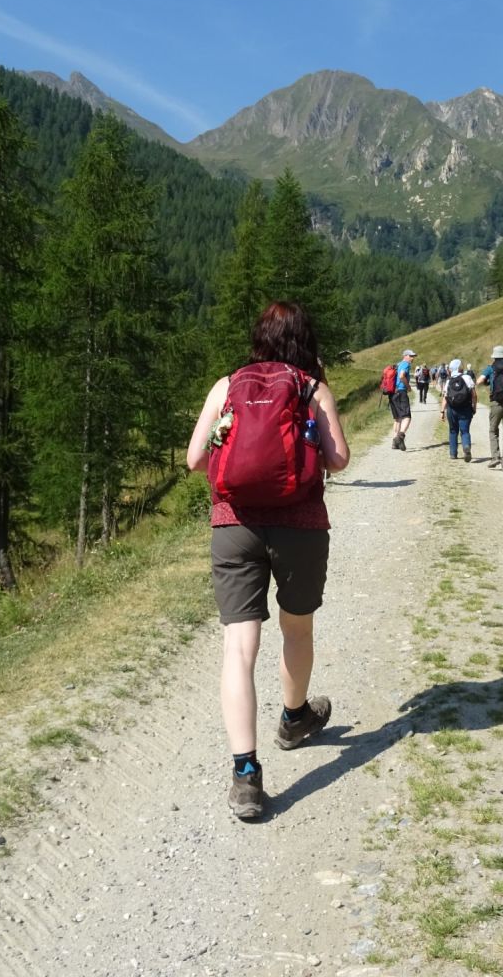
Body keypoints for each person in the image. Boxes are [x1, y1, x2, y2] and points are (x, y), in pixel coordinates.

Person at [187, 301, 351, 821]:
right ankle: (294, 718)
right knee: (296, 628)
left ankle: (245, 775)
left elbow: (193, 460)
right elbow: (340, 458)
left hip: (234, 525)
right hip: (300, 525)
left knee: (239, 646)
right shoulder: (309, 385)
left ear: (258, 337)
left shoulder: (227, 384)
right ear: (304, 338)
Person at [441, 357, 477, 462]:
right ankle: (466, 447)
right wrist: (474, 407)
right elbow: (474, 395)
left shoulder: (449, 381)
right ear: (460, 368)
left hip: (452, 410)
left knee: (453, 431)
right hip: (465, 408)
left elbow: (445, 398)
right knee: (465, 431)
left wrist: (442, 411)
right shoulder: (467, 378)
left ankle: (453, 453)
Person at [389, 348, 416, 450]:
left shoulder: (398, 364)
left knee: (397, 418)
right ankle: (400, 437)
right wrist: (408, 386)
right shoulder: (405, 364)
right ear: (405, 356)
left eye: (413, 356)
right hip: (401, 392)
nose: (412, 358)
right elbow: (401, 376)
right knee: (407, 416)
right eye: (411, 356)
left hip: (393, 393)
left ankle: (394, 442)